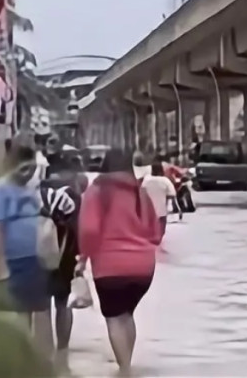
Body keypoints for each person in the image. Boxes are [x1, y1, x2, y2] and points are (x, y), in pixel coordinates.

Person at [78, 147, 162, 374]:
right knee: (127, 314)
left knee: (114, 317)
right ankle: (128, 363)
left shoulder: (96, 192)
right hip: (144, 268)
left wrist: (82, 259)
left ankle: (124, 370)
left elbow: (89, 230)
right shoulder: (140, 193)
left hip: (110, 267)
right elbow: (155, 233)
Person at [0, 132, 54, 353]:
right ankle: (20, 358)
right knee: (19, 315)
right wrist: (2, 265)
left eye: (33, 169)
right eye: (26, 169)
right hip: (14, 261)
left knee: (42, 311)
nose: (30, 173)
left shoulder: (29, 189)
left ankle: (44, 359)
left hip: (36, 259)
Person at [39, 152, 87, 357]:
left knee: (41, 307)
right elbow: (81, 229)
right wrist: (81, 259)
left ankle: (44, 352)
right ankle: (63, 351)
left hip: (38, 254)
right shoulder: (73, 195)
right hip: (66, 255)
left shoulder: (36, 191)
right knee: (63, 303)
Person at [136, 152, 177, 235]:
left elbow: (140, 193)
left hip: (147, 213)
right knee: (161, 233)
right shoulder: (165, 181)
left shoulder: (146, 180)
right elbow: (172, 194)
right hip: (161, 213)